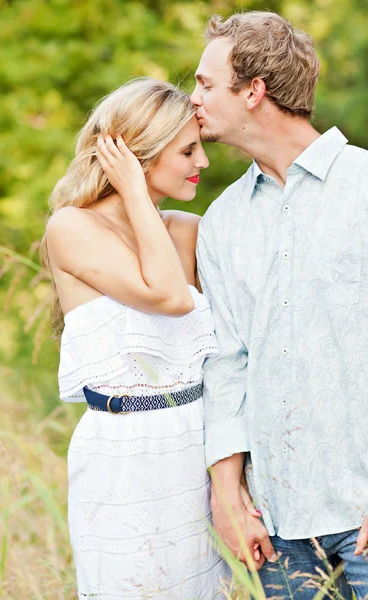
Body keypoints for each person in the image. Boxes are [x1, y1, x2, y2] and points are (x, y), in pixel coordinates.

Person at [191, 11, 368, 599]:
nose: (193, 100)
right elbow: (226, 362)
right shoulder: (223, 222)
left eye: (206, 84)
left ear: (254, 91)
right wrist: (227, 490)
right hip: (277, 527)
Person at [41, 78, 230, 599]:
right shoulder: (71, 227)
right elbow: (168, 294)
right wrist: (133, 192)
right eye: (188, 151)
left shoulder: (187, 230)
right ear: (136, 157)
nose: (203, 163)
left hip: (197, 441)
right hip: (123, 454)